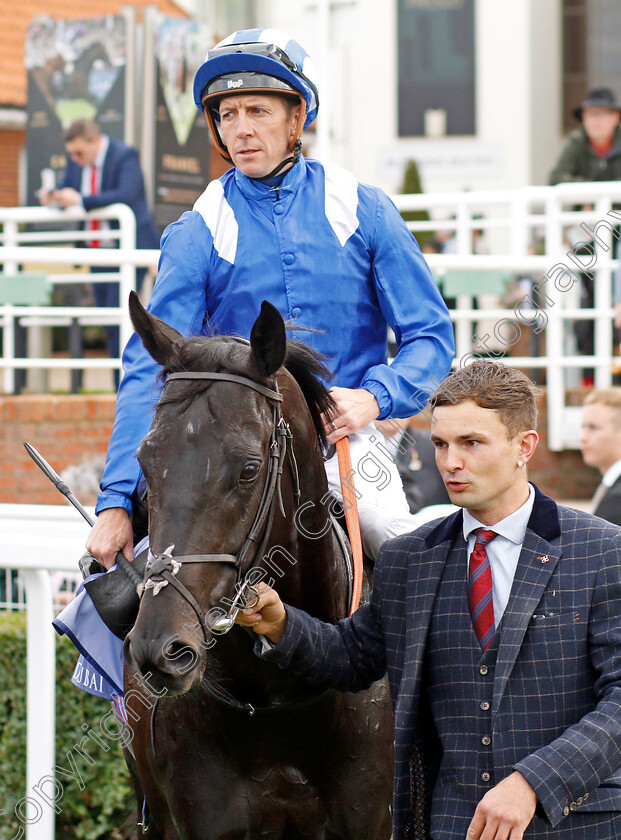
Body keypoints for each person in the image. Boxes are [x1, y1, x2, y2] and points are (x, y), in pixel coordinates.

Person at [85, 29, 455, 569]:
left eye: (257, 110)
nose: (241, 129)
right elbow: (149, 366)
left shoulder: (365, 209)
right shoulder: (196, 231)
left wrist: (374, 397)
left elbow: (431, 337)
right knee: (124, 600)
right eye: (227, 114)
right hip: (226, 450)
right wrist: (116, 499)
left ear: (296, 117)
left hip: (345, 446)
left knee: (402, 558)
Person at [240, 360, 621, 840]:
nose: (450, 462)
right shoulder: (409, 559)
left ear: (524, 446)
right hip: (447, 826)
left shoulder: (603, 550)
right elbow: (353, 658)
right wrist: (278, 622)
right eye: (441, 444)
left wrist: (533, 784)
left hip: (575, 825)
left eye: (471, 443)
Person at [40, 119, 160, 385]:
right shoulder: (76, 161)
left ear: (95, 141)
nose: (74, 159)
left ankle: (132, 383)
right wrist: (56, 198)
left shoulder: (124, 155)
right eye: (71, 153)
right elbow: (70, 193)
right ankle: (117, 384)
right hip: (97, 250)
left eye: (78, 153)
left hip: (130, 248)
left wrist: (81, 200)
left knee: (127, 317)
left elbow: (126, 195)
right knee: (109, 320)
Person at [549, 87, 621, 384]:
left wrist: (599, 195)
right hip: (591, 235)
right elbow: (556, 178)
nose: (595, 121)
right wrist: (592, 192)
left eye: (601, 114)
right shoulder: (577, 143)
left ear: (615, 118)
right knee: (588, 302)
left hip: (615, 230)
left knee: (611, 299)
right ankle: (591, 376)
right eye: (590, 115)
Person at [580, 387, 621, 526]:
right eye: (583, 427)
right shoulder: (610, 487)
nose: (583, 437)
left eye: (593, 428)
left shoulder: (617, 498)